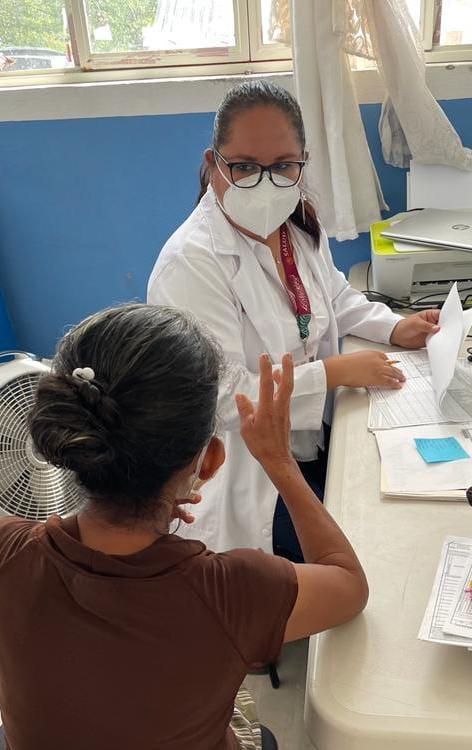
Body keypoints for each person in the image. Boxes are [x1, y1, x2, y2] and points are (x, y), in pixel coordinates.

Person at [0, 304, 367, 750]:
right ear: (209, 461)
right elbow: (348, 585)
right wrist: (279, 461)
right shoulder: (234, 591)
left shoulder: (9, 550)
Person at [147, 80, 440, 559]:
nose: (265, 184)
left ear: (303, 161)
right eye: (244, 167)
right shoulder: (191, 263)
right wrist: (332, 373)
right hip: (245, 473)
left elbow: (334, 296)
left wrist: (393, 326)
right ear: (213, 165)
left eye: (283, 166)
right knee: (359, 551)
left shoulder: (296, 228)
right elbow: (221, 397)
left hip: (306, 441)